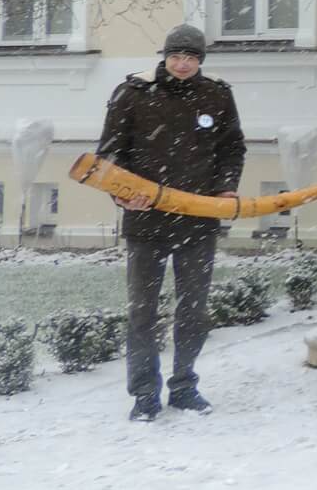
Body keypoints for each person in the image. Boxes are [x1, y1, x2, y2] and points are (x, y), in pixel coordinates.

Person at [99, 25, 246, 423]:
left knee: (193, 310)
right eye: (176, 57)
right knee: (143, 312)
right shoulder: (133, 93)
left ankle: (184, 385)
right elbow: (111, 152)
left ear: (201, 61)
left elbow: (232, 148)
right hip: (146, 221)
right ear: (164, 56)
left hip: (198, 220)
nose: (183, 65)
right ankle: (144, 393)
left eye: (192, 58)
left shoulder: (216, 94)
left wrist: (227, 189)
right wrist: (123, 192)